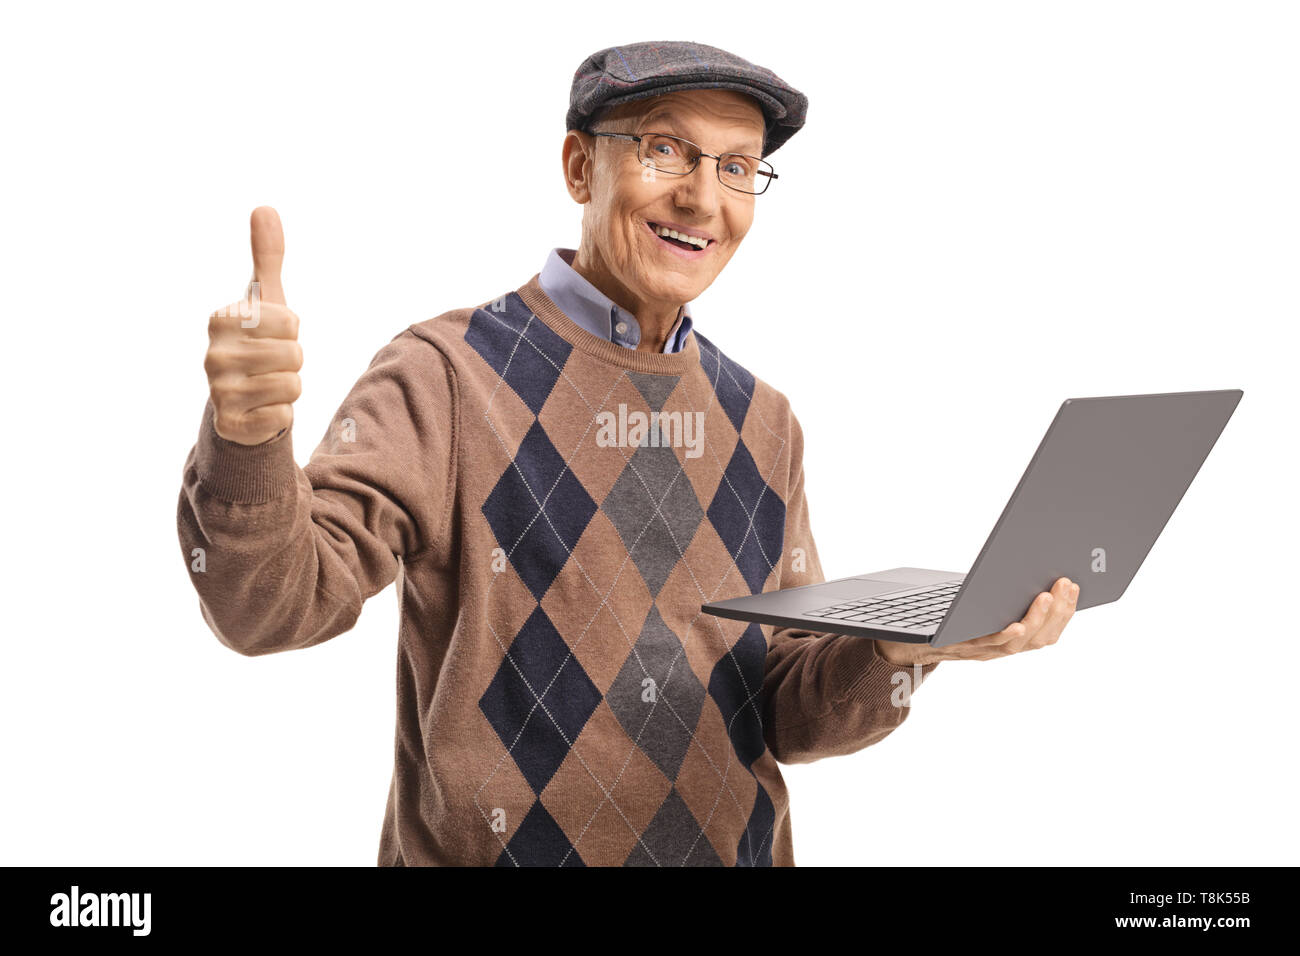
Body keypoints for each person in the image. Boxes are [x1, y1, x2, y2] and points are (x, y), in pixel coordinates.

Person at [178, 40, 1077, 867]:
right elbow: (272, 610)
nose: (704, 198)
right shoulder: (445, 374)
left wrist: (904, 648)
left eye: (736, 167)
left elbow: (787, 709)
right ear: (580, 167)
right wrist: (249, 438)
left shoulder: (764, 421)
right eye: (666, 150)